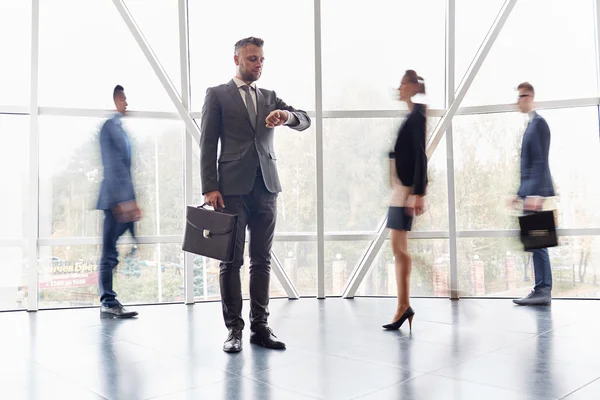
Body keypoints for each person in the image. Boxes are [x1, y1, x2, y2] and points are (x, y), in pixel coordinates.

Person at [200, 37, 311, 352]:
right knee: (230, 261)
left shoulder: (269, 97)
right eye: (252, 59)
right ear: (236, 59)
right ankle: (234, 329)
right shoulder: (217, 95)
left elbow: (304, 119)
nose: (258, 65)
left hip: (266, 189)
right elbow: (207, 143)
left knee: (261, 260)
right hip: (230, 191)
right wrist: (210, 186)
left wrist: (285, 117)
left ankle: (260, 328)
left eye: (261, 59)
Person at [383, 70, 427, 331]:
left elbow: (421, 156)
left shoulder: (418, 115)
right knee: (398, 248)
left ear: (411, 87)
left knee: (399, 249)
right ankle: (403, 305)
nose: (398, 89)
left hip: (405, 191)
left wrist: (418, 193)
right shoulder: (413, 115)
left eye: (402, 85)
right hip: (401, 189)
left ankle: (403, 306)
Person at [96, 85, 141, 318]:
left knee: (119, 248)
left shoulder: (118, 127)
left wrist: (131, 201)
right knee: (109, 253)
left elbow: (124, 168)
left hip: (123, 199)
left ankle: (109, 300)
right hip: (115, 200)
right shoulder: (110, 127)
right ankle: (108, 302)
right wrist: (124, 201)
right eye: (123, 98)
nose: (126, 103)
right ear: (114, 100)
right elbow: (114, 165)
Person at [511, 82, 555, 306]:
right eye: (518, 96)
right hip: (530, 191)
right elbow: (528, 165)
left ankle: (543, 290)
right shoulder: (531, 125)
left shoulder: (539, 124)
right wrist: (520, 194)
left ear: (531, 97)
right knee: (535, 240)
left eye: (523, 96)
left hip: (535, 193)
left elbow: (539, 161)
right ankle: (540, 288)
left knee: (538, 240)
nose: (519, 100)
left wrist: (535, 194)